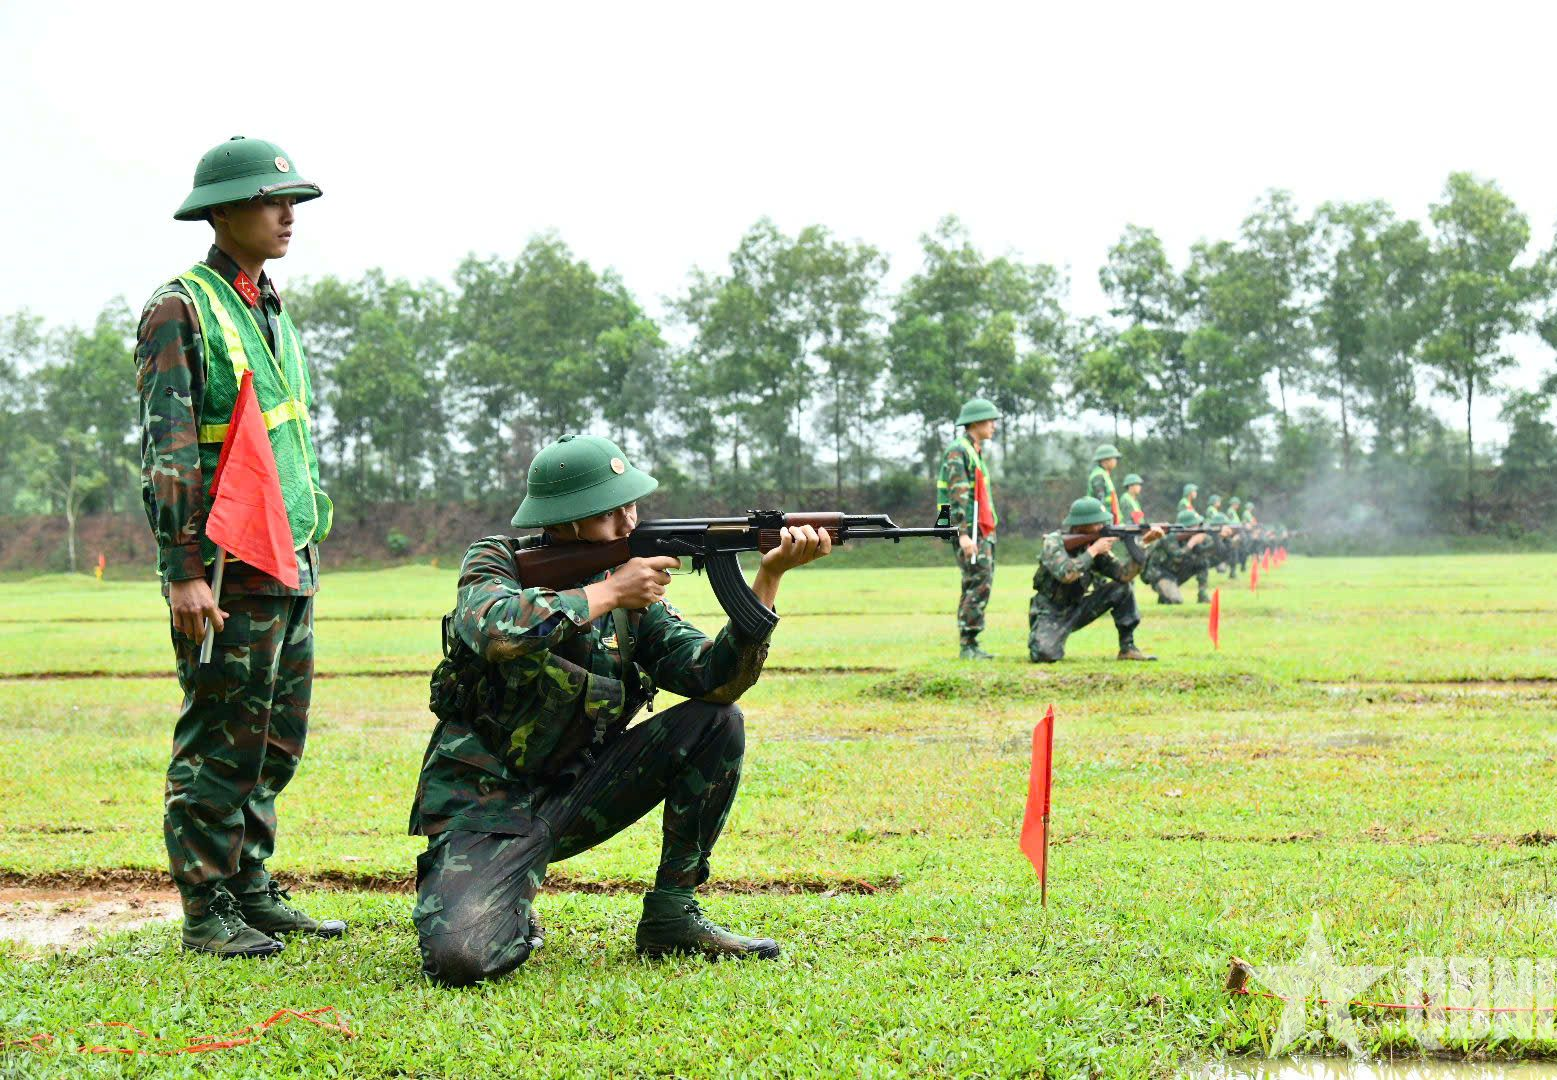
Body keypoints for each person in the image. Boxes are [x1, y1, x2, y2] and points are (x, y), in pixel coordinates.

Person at [410, 435, 833, 986]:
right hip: (484, 805)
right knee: (463, 960)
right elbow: (493, 628)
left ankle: (672, 915)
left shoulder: (636, 599)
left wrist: (768, 580)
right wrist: (607, 593)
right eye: (611, 512)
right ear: (566, 520)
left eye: (632, 504)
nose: (630, 521)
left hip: (577, 793)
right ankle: (506, 899)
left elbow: (714, 680)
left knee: (715, 722)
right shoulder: (499, 560)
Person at [135, 138, 342, 958]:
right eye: (270, 201)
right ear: (220, 212)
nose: (288, 214)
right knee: (221, 738)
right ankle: (205, 907)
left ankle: (252, 888)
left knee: (276, 738)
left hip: (287, 559)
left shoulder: (268, 302)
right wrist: (182, 572)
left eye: (292, 200)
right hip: (224, 568)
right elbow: (170, 451)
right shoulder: (179, 308)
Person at [1027, 497, 1164, 663]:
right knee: (1043, 655)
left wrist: (1144, 544)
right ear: (1080, 525)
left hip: (1078, 607)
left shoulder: (1094, 545)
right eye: (1097, 523)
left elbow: (1123, 574)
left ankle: (1128, 647)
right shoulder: (1054, 543)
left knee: (1123, 588)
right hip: (1050, 611)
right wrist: (1093, 550)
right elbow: (1067, 574)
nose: (1102, 527)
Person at [937, 398, 1000, 659]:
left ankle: (971, 643)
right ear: (975, 422)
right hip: (968, 530)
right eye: (990, 421)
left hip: (981, 529)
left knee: (978, 581)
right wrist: (961, 534)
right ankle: (968, 644)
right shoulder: (958, 451)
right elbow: (957, 496)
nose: (994, 426)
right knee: (978, 581)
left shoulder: (973, 450)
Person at [1140, 510, 1232, 604]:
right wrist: (1192, 543)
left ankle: (1202, 594)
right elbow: (1177, 556)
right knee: (1176, 601)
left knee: (1202, 562)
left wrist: (1219, 537)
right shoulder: (1169, 537)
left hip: (1174, 573)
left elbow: (1208, 552)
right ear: (1188, 527)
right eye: (1196, 525)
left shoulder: (1189, 537)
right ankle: (1166, 594)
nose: (1199, 528)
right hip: (1159, 574)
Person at [1086, 443, 1123, 524]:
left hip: (1109, 521)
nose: (1115, 461)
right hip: (1102, 523)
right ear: (1105, 460)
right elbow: (1099, 503)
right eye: (1114, 458)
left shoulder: (1104, 475)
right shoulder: (1099, 476)